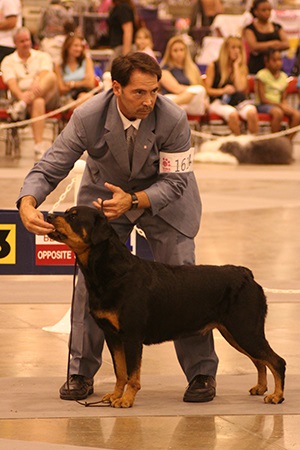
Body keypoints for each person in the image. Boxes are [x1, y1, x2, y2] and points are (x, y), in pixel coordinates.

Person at [16, 52, 218, 404]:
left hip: (164, 202)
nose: (150, 100)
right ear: (116, 88)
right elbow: (51, 165)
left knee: (186, 277)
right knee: (89, 284)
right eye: (139, 92)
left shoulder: (173, 119)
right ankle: (80, 372)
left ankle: (201, 372)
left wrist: (136, 198)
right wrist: (27, 200)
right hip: (104, 205)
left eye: (154, 91)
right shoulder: (88, 116)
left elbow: (175, 182)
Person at [1, 27, 60, 158]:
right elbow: (12, 83)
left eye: (27, 40)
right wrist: (21, 96)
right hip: (22, 96)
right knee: (38, 101)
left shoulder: (42, 56)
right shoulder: (8, 61)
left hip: (48, 94)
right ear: (15, 43)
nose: (26, 44)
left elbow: (46, 72)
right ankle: (39, 146)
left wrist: (36, 81)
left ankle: (22, 104)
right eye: (22, 41)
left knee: (51, 77)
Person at [205, 35, 259, 135]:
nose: (236, 51)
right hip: (218, 101)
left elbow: (240, 88)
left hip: (237, 100)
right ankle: (238, 144)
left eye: (239, 48)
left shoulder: (242, 67)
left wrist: (236, 67)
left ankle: (252, 143)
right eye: (233, 47)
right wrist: (223, 91)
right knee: (232, 114)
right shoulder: (213, 66)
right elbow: (207, 90)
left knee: (252, 112)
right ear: (226, 49)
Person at [255, 48, 300, 140]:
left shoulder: (284, 76)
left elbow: (283, 97)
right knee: (277, 113)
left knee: (297, 115)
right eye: (274, 60)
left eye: (279, 60)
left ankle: (287, 141)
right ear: (267, 62)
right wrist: (280, 106)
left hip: (279, 105)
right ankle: (275, 140)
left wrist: (284, 104)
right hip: (264, 105)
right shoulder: (261, 75)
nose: (277, 63)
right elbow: (262, 99)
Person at [159, 36, 207, 116]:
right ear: (169, 52)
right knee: (197, 91)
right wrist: (192, 90)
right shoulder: (164, 69)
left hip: (191, 104)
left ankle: (172, 105)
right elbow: (176, 89)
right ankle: (173, 105)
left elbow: (201, 88)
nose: (179, 53)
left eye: (181, 50)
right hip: (172, 97)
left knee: (200, 90)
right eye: (175, 50)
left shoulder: (193, 68)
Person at [243, 0, 289, 75]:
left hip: (275, 67)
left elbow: (286, 44)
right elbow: (254, 46)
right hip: (257, 65)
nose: (267, 12)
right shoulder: (250, 29)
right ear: (255, 11)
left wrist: (263, 46)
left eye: (269, 10)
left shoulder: (277, 27)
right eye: (264, 10)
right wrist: (274, 43)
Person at [54, 33, 95, 108]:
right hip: (66, 99)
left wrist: (72, 84)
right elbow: (61, 89)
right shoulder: (58, 65)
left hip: (84, 94)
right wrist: (83, 82)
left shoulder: (86, 61)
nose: (79, 49)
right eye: (75, 46)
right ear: (68, 47)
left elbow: (90, 83)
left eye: (80, 46)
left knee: (84, 98)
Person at [36, 0, 73, 65]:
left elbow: (40, 29)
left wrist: (39, 41)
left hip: (48, 42)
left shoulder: (46, 11)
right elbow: (71, 28)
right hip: (64, 43)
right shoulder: (66, 12)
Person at [105, 0, 139, 70]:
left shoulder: (123, 8)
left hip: (123, 48)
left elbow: (128, 31)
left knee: (109, 74)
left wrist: (125, 56)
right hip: (118, 48)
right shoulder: (118, 7)